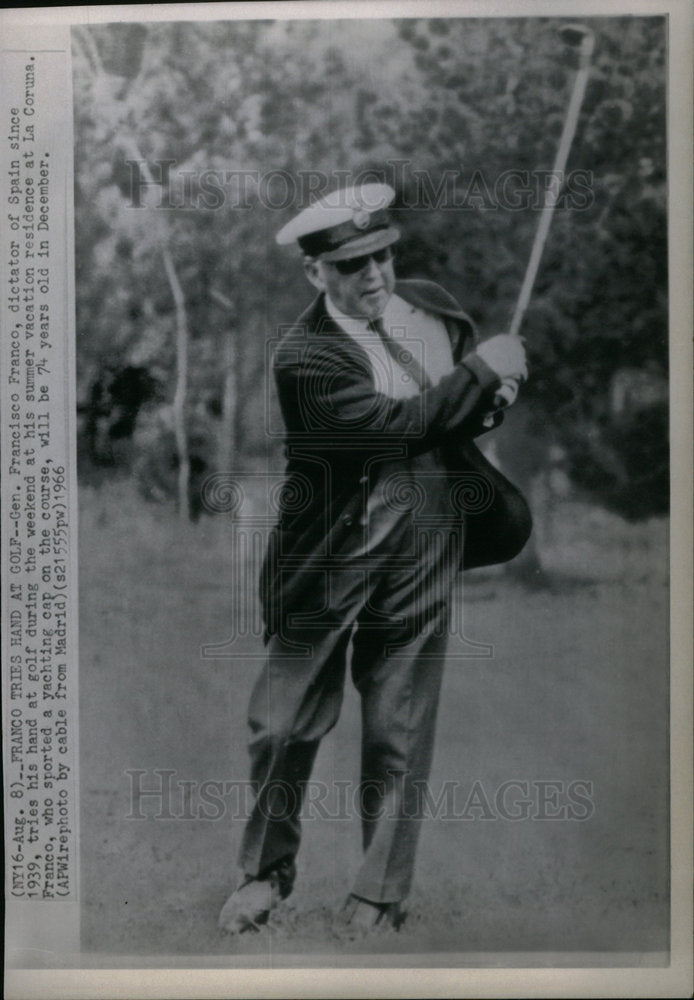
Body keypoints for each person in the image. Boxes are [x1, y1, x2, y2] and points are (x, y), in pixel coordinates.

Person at [218, 183, 531, 934]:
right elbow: (401, 424)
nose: (377, 278)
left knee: (401, 717)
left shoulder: (428, 308)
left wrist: (497, 387)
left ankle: (379, 895)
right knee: (281, 724)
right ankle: (266, 873)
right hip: (328, 541)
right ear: (314, 273)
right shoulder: (304, 358)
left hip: (426, 518)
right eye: (353, 265)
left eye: (383, 256)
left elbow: (456, 413)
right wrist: (484, 374)